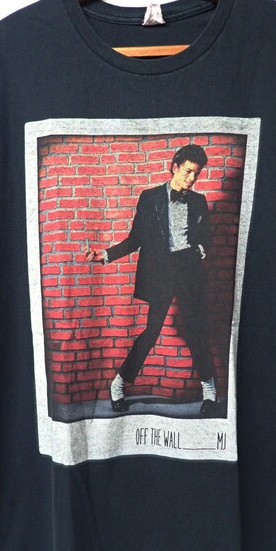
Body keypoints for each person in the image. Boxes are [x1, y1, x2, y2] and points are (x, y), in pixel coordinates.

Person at [85, 144, 217, 415]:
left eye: (197, 173)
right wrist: (106, 254)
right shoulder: (150, 198)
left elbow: (207, 239)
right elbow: (136, 239)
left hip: (189, 271)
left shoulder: (199, 201)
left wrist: (199, 251)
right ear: (174, 167)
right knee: (151, 331)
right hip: (161, 273)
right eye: (188, 171)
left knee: (196, 330)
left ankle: (209, 391)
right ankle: (118, 384)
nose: (192, 178)